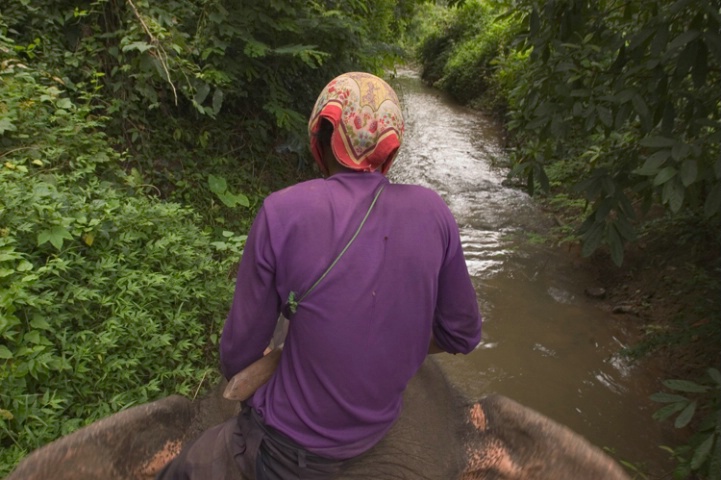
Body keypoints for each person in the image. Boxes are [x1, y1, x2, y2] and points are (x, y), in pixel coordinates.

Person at [157, 71, 481, 480]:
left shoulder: (283, 210)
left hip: (284, 451)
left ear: (321, 138)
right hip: (376, 432)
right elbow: (462, 334)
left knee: (184, 469)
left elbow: (237, 358)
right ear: (390, 148)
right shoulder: (435, 212)